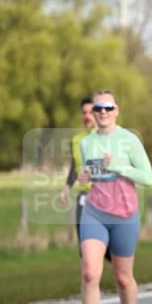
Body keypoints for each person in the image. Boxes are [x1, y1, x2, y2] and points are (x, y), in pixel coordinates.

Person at [73, 90, 152, 304]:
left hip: (124, 215)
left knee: (122, 277)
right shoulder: (87, 143)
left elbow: (148, 177)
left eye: (108, 107)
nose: (103, 112)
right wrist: (84, 177)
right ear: (93, 113)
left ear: (116, 110)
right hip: (94, 211)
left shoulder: (129, 139)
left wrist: (120, 166)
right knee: (89, 273)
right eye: (98, 109)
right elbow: (91, 177)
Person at [60, 98, 97, 251]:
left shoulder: (107, 137)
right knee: (84, 243)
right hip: (83, 196)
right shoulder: (77, 139)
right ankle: (89, 274)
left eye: (91, 112)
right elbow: (75, 166)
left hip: (103, 196)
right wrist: (66, 188)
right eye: (84, 112)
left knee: (104, 246)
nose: (87, 116)